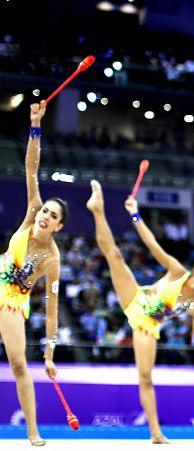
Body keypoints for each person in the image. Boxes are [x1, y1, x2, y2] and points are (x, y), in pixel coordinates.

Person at [86, 180, 194, 443]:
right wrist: (135, 213)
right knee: (114, 255)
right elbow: (151, 244)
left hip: (147, 324)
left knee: (146, 378)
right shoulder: (176, 270)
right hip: (136, 298)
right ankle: (97, 208)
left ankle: (155, 432)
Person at [0, 102, 66, 446]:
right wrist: (36, 126)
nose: (44, 214)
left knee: (19, 366)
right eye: (45, 209)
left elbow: (51, 312)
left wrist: (51, 352)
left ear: (59, 225)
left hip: (13, 302)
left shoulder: (52, 260)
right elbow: (31, 167)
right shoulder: (30, 214)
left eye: (52, 214)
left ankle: (32, 431)